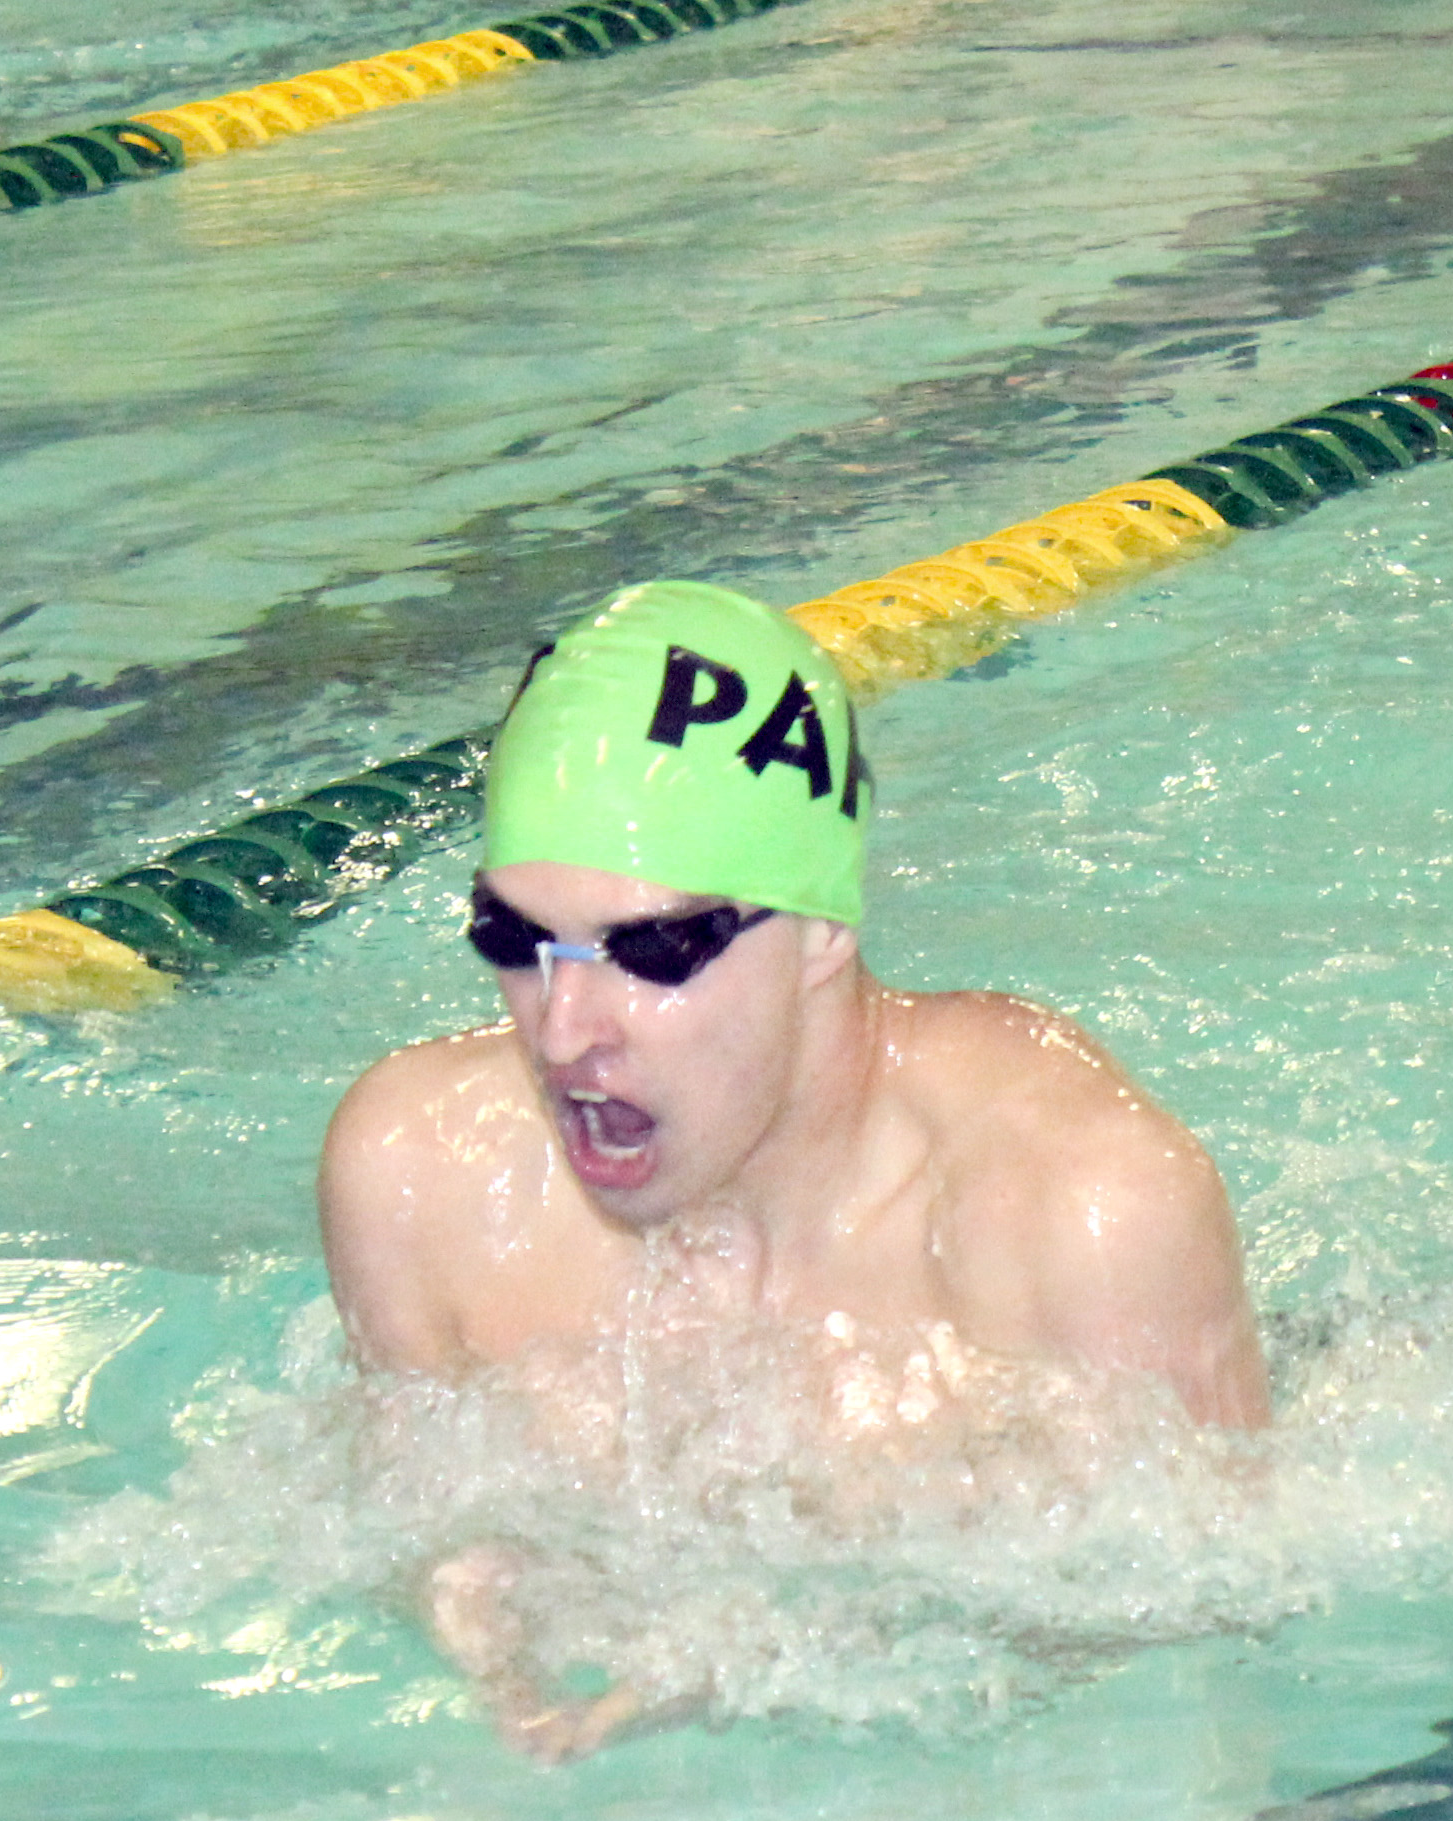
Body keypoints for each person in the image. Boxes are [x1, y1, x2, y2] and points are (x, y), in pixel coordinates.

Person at [320, 578, 1269, 1755]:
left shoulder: (1077, 1214)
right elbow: (393, 1534)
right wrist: (476, 1627)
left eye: (654, 950)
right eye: (514, 942)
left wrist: (783, 1659)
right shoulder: (420, 1179)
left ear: (822, 931)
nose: (563, 1031)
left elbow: (1216, 1635)